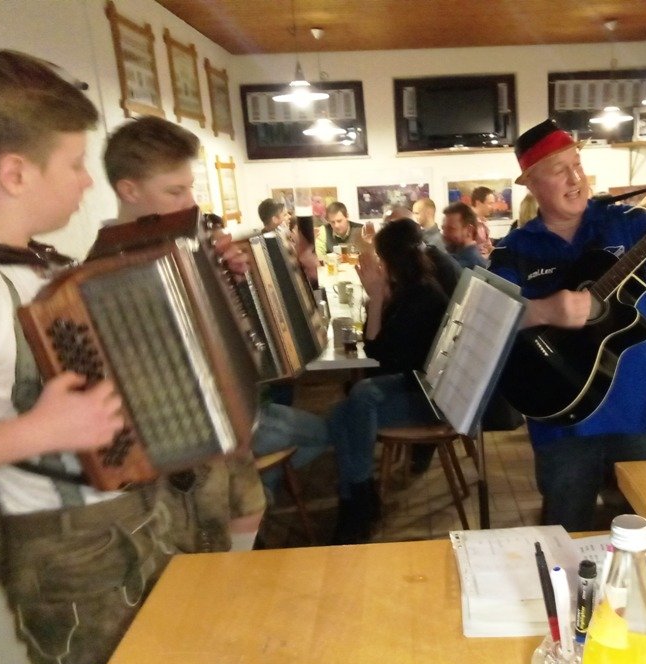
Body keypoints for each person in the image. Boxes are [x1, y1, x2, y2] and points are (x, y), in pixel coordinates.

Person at [0, 48, 184, 664]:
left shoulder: (28, 267)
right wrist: (33, 433)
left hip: (125, 527)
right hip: (74, 560)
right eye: (75, 164)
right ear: (15, 173)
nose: (87, 183)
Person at [488, 118, 646, 531]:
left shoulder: (628, 225)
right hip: (560, 417)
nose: (575, 179)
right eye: (558, 170)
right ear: (531, 183)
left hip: (639, 410)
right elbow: (492, 317)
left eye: (577, 165)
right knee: (567, 532)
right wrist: (547, 311)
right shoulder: (514, 250)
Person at [103, 116, 329, 536]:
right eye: (175, 191)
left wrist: (233, 280)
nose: (190, 202)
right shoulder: (105, 269)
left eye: (191, 187)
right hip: (181, 440)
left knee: (249, 510)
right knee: (207, 540)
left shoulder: (186, 245)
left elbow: (224, 330)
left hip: (230, 421)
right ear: (128, 190)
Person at [327, 218, 448, 543]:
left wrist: (376, 296)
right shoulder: (410, 289)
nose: (377, 264)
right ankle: (356, 497)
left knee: (360, 396)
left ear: (393, 259)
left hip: (430, 400)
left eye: (380, 257)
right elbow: (378, 353)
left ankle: (359, 499)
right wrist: (378, 295)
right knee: (343, 412)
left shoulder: (424, 296)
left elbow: (377, 363)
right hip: (409, 385)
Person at [442, 201, 488, 269]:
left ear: (469, 230)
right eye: (443, 228)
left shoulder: (473, 267)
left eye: (451, 229)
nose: (444, 234)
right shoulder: (452, 259)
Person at [470, 185, 496, 258]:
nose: (493, 207)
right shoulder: (467, 222)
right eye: (490, 203)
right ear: (478, 203)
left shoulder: (483, 221)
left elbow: (487, 247)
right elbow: (467, 254)